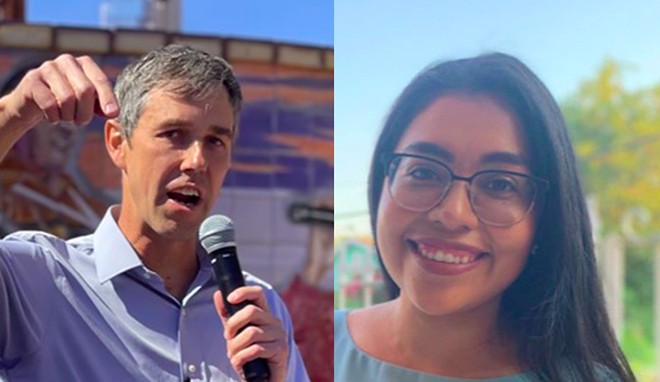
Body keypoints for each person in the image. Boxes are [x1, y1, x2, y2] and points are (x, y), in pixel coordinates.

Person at [0, 45, 309, 382]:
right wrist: (13, 113)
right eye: (173, 135)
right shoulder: (36, 278)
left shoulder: (260, 312)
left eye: (215, 142)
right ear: (117, 143)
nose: (197, 161)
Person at [334, 53, 636, 382]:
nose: (452, 214)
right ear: (383, 183)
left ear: (544, 221)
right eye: (423, 171)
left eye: (499, 184)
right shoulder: (299, 346)